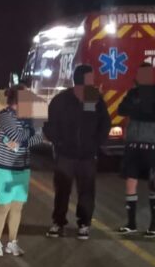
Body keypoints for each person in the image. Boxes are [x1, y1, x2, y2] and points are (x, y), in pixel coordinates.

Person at [44, 64, 111, 240]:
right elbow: (50, 126)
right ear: (82, 79)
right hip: (65, 155)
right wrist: (58, 142)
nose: (94, 80)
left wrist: (96, 143)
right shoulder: (61, 100)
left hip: (87, 157)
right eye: (91, 77)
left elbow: (104, 123)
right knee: (62, 191)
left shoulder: (93, 99)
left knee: (87, 191)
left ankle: (84, 224)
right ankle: (58, 223)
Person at [116, 63, 155, 238]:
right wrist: (140, 106)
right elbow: (121, 109)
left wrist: (137, 107)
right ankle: (131, 223)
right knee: (130, 183)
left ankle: (153, 225)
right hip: (133, 145)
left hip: (152, 146)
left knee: (153, 185)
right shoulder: (133, 92)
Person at [0, 86, 45, 257]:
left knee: (17, 207)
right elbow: (18, 135)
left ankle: (12, 243)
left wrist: (23, 141)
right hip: (3, 167)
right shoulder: (5, 116)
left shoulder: (29, 118)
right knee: (4, 205)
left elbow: (39, 137)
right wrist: (30, 133)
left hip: (22, 167)